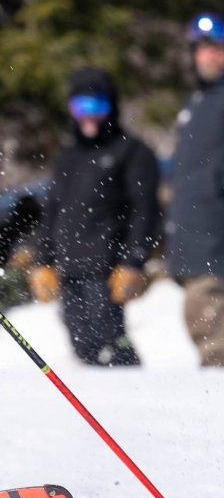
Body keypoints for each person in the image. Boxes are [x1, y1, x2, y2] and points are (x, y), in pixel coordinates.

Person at [28, 67, 160, 366]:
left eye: (97, 106)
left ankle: (135, 393)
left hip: (108, 271)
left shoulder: (132, 151)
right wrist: (42, 260)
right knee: (83, 348)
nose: (89, 116)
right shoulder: (67, 156)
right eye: (80, 107)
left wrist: (133, 261)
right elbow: (52, 212)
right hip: (69, 267)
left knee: (112, 345)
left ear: (111, 107)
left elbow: (145, 210)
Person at [167, 14, 224, 366]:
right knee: (204, 332)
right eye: (199, 49)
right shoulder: (198, 103)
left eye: (215, 47)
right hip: (195, 241)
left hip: (216, 244)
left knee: (216, 345)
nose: (206, 55)